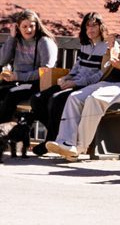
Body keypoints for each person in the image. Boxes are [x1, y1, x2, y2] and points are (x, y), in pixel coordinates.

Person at [45, 11, 120, 161]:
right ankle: (65, 142)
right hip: (110, 83)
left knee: (95, 99)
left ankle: (79, 147)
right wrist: (110, 50)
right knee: (74, 97)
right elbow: (106, 67)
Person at [28, 12, 109, 156]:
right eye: (87, 26)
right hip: (73, 81)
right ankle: (57, 134)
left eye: (94, 26)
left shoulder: (106, 47)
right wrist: (67, 77)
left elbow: (100, 75)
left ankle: (51, 139)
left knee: (56, 100)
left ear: (101, 27)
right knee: (37, 99)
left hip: (85, 87)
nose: (90, 29)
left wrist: (74, 82)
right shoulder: (86, 45)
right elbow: (78, 66)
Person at [0, 10, 56, 154]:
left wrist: (18, 76)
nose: (28, 30)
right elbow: (2, 60)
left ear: (37, 26)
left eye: (31, 26)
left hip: (37, 83)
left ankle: (2, 137)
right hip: (17, 81)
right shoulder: (17, 40)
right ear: (18, 27)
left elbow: (46, 71)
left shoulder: (44, 42)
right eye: (24, 26)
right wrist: (11, 38)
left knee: (12, 94)